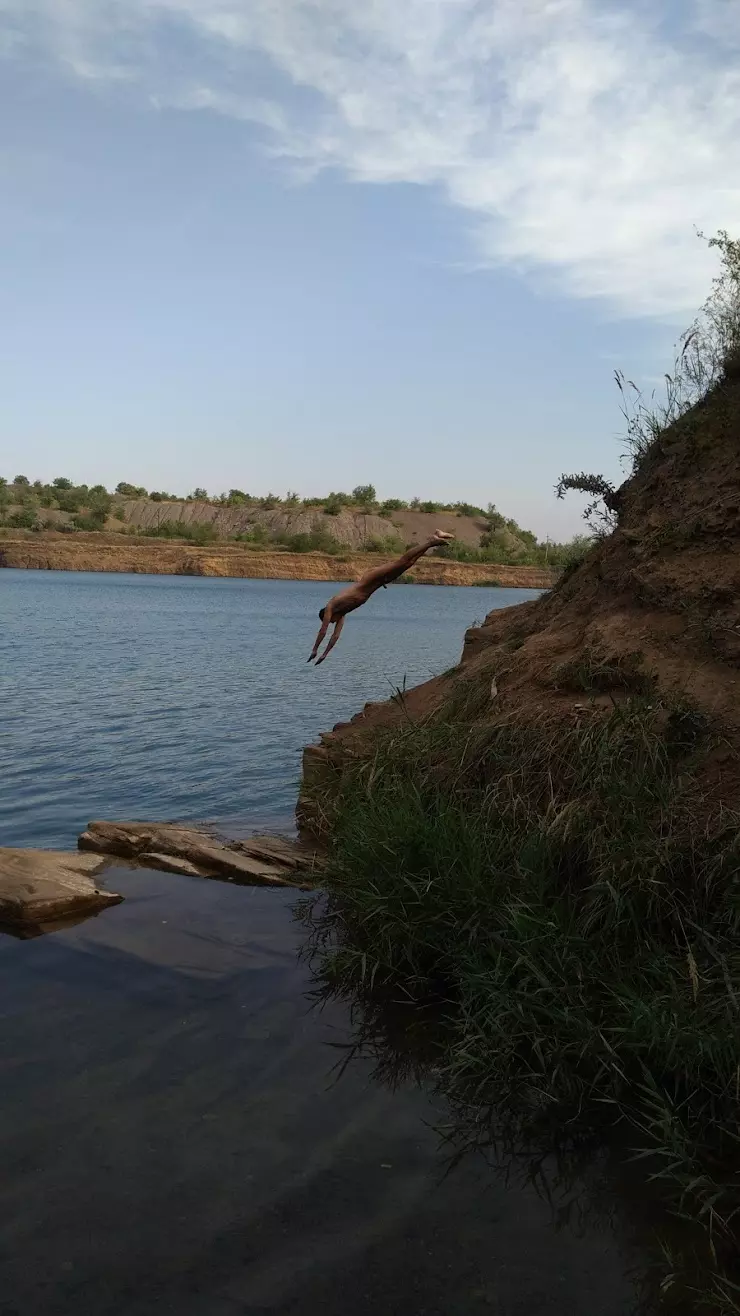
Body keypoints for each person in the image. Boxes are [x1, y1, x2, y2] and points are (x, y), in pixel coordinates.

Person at [308, 530, 454, 665]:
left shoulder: (330, 606)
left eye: (331, 621)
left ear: (326, 616)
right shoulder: (342, 613)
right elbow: (335, 636)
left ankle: (432, 540)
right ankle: (432, 542)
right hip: (377, 583)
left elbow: (323, 630)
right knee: (407, 564)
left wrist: (315, 649)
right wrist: (325, 654)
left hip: (370, 579)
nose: (333, 622)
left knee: (401, 562)